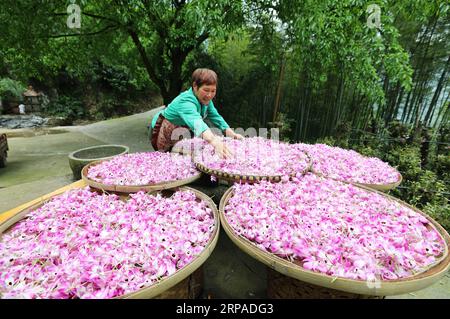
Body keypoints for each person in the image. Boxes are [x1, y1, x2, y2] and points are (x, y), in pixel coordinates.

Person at [150, 68, 243, 157]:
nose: (209, 95)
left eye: (213, 91)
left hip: (180, 132)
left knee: (190, 153)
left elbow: (216, 117)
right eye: (206, 90)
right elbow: (197, 123)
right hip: (162, 130)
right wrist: (215, 142)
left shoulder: (206, 101)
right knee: (168, 156)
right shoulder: (186, 101)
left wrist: (231, 134)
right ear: (195, 86)